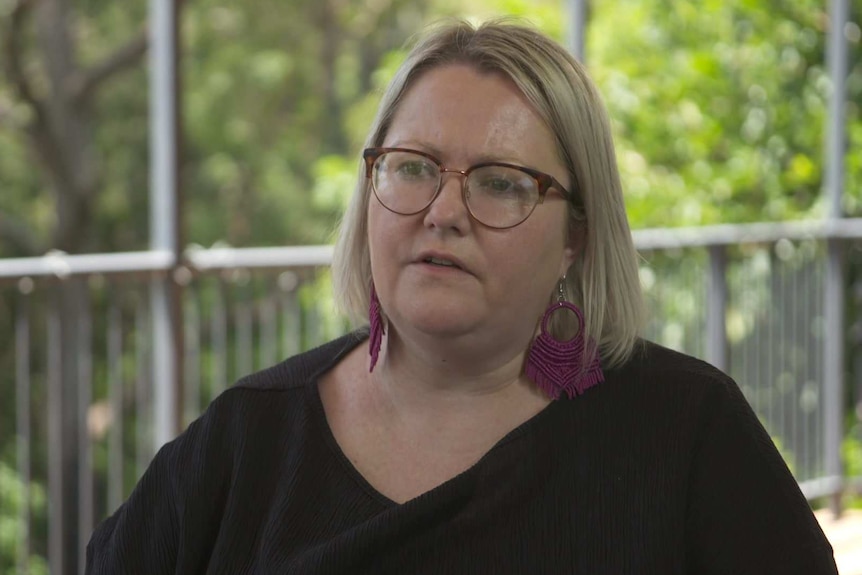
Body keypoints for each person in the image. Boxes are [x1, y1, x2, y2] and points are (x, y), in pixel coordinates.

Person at [86, 19, 838, 574]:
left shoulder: (687, 431)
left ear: (576, 234)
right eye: (413, 167)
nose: (443, 211)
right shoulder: (246, 440)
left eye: (501, 182)